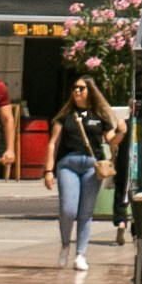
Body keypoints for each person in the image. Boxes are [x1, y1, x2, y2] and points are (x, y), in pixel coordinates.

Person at [53, 78, 117, 271]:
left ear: (90, 91)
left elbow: (111, 140)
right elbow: (52, 143)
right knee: (68, 210)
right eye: (74, 88)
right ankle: (65, 243)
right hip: (68, 164)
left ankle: (81, 254)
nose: (77, 91)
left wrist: (122, 130)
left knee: (86, 213)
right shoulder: (65, 116)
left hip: (91, 165)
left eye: (81, 88)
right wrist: (48, 170)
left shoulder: (99, 116)